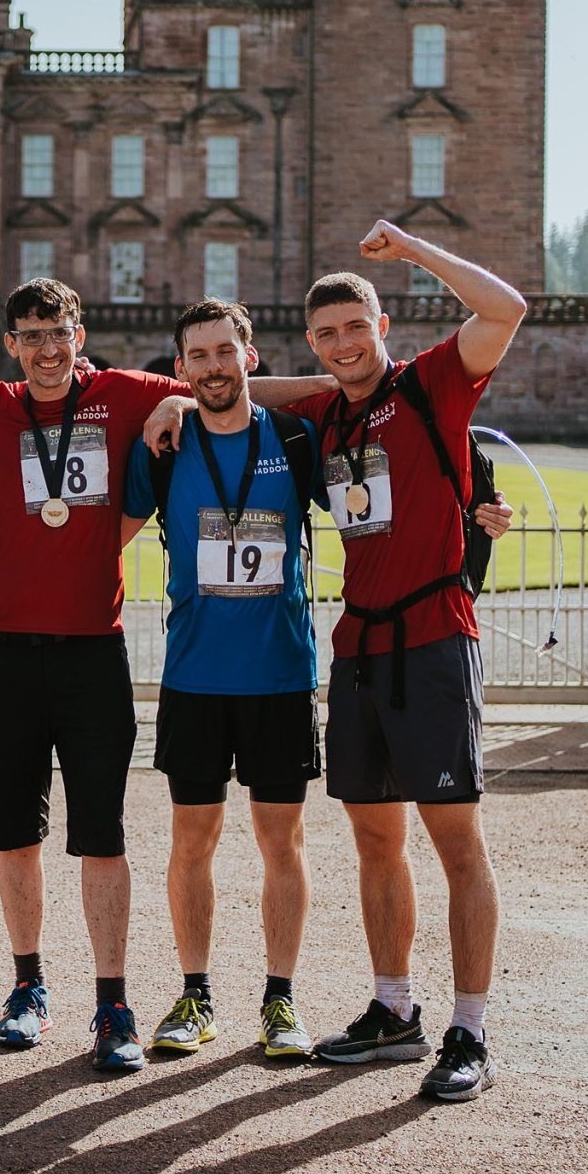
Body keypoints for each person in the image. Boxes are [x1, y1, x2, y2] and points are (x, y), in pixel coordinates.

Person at [0, 273, 330, 1075]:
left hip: (94, 648)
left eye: (59, 333)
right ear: (12, 345)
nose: (47, 349)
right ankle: (28, 986)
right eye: (31, 336)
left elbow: (223, 386)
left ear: (79, 337)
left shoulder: (125, 393)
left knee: (102, 833)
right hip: (1, 648)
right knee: (15, 833)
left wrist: (185, 397)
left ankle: (113, 1002)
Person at [287, 220, 527, 1102]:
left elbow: (507, 308)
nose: (344, 343)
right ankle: (395, 1009)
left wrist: (416, 251)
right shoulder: (325, 410)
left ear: (382, 325)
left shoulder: (431, 381)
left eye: (357, 326)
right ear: (313, 344)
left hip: (434, 638)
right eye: (327, 333)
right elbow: (224, 383)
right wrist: (173, 400)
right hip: (358, 648)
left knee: (456, 838)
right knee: (375, 838)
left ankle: (471, 1028)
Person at [121, 301, 329, 1063]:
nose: (212, 366)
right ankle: (196, 993)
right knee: (192, 840)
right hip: (196, 676)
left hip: (280, 674)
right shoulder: (163, 445)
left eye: (224, 351)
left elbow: (376, 452)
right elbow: (101, 533)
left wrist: (480, 506)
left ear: (251, 354)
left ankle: (280, 998)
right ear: (180, 367)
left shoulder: (296, 439)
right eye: (198, 356)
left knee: (282, 841)